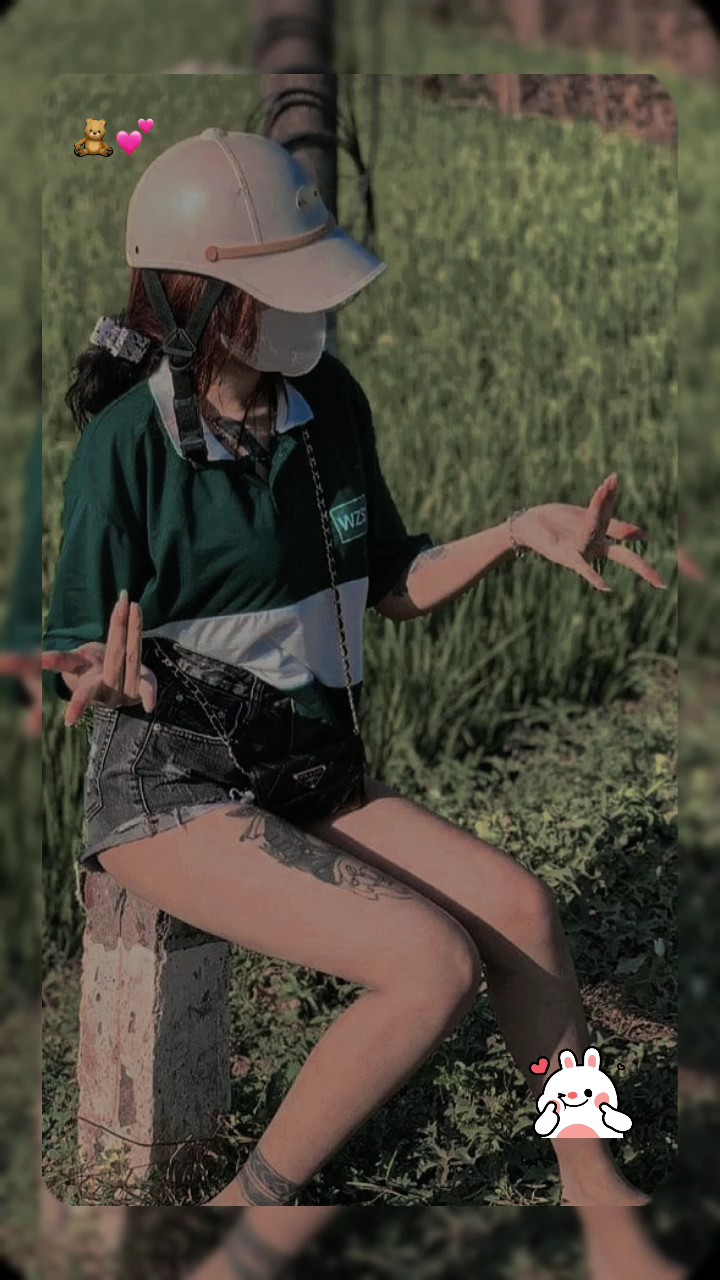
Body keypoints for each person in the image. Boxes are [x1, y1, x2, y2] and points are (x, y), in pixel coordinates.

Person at [42, 127, 666, 1209]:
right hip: (173, 788)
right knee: (430, 962)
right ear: (196, 302)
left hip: (308, 765)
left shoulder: (326, 402)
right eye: (280, 288)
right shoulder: (129, 447)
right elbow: (76, 643)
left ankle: (590, 1179)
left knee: (523, 909)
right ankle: (245, 1211)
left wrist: (515, 531)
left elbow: (390, 579)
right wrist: (97, 673)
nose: (314, 311)